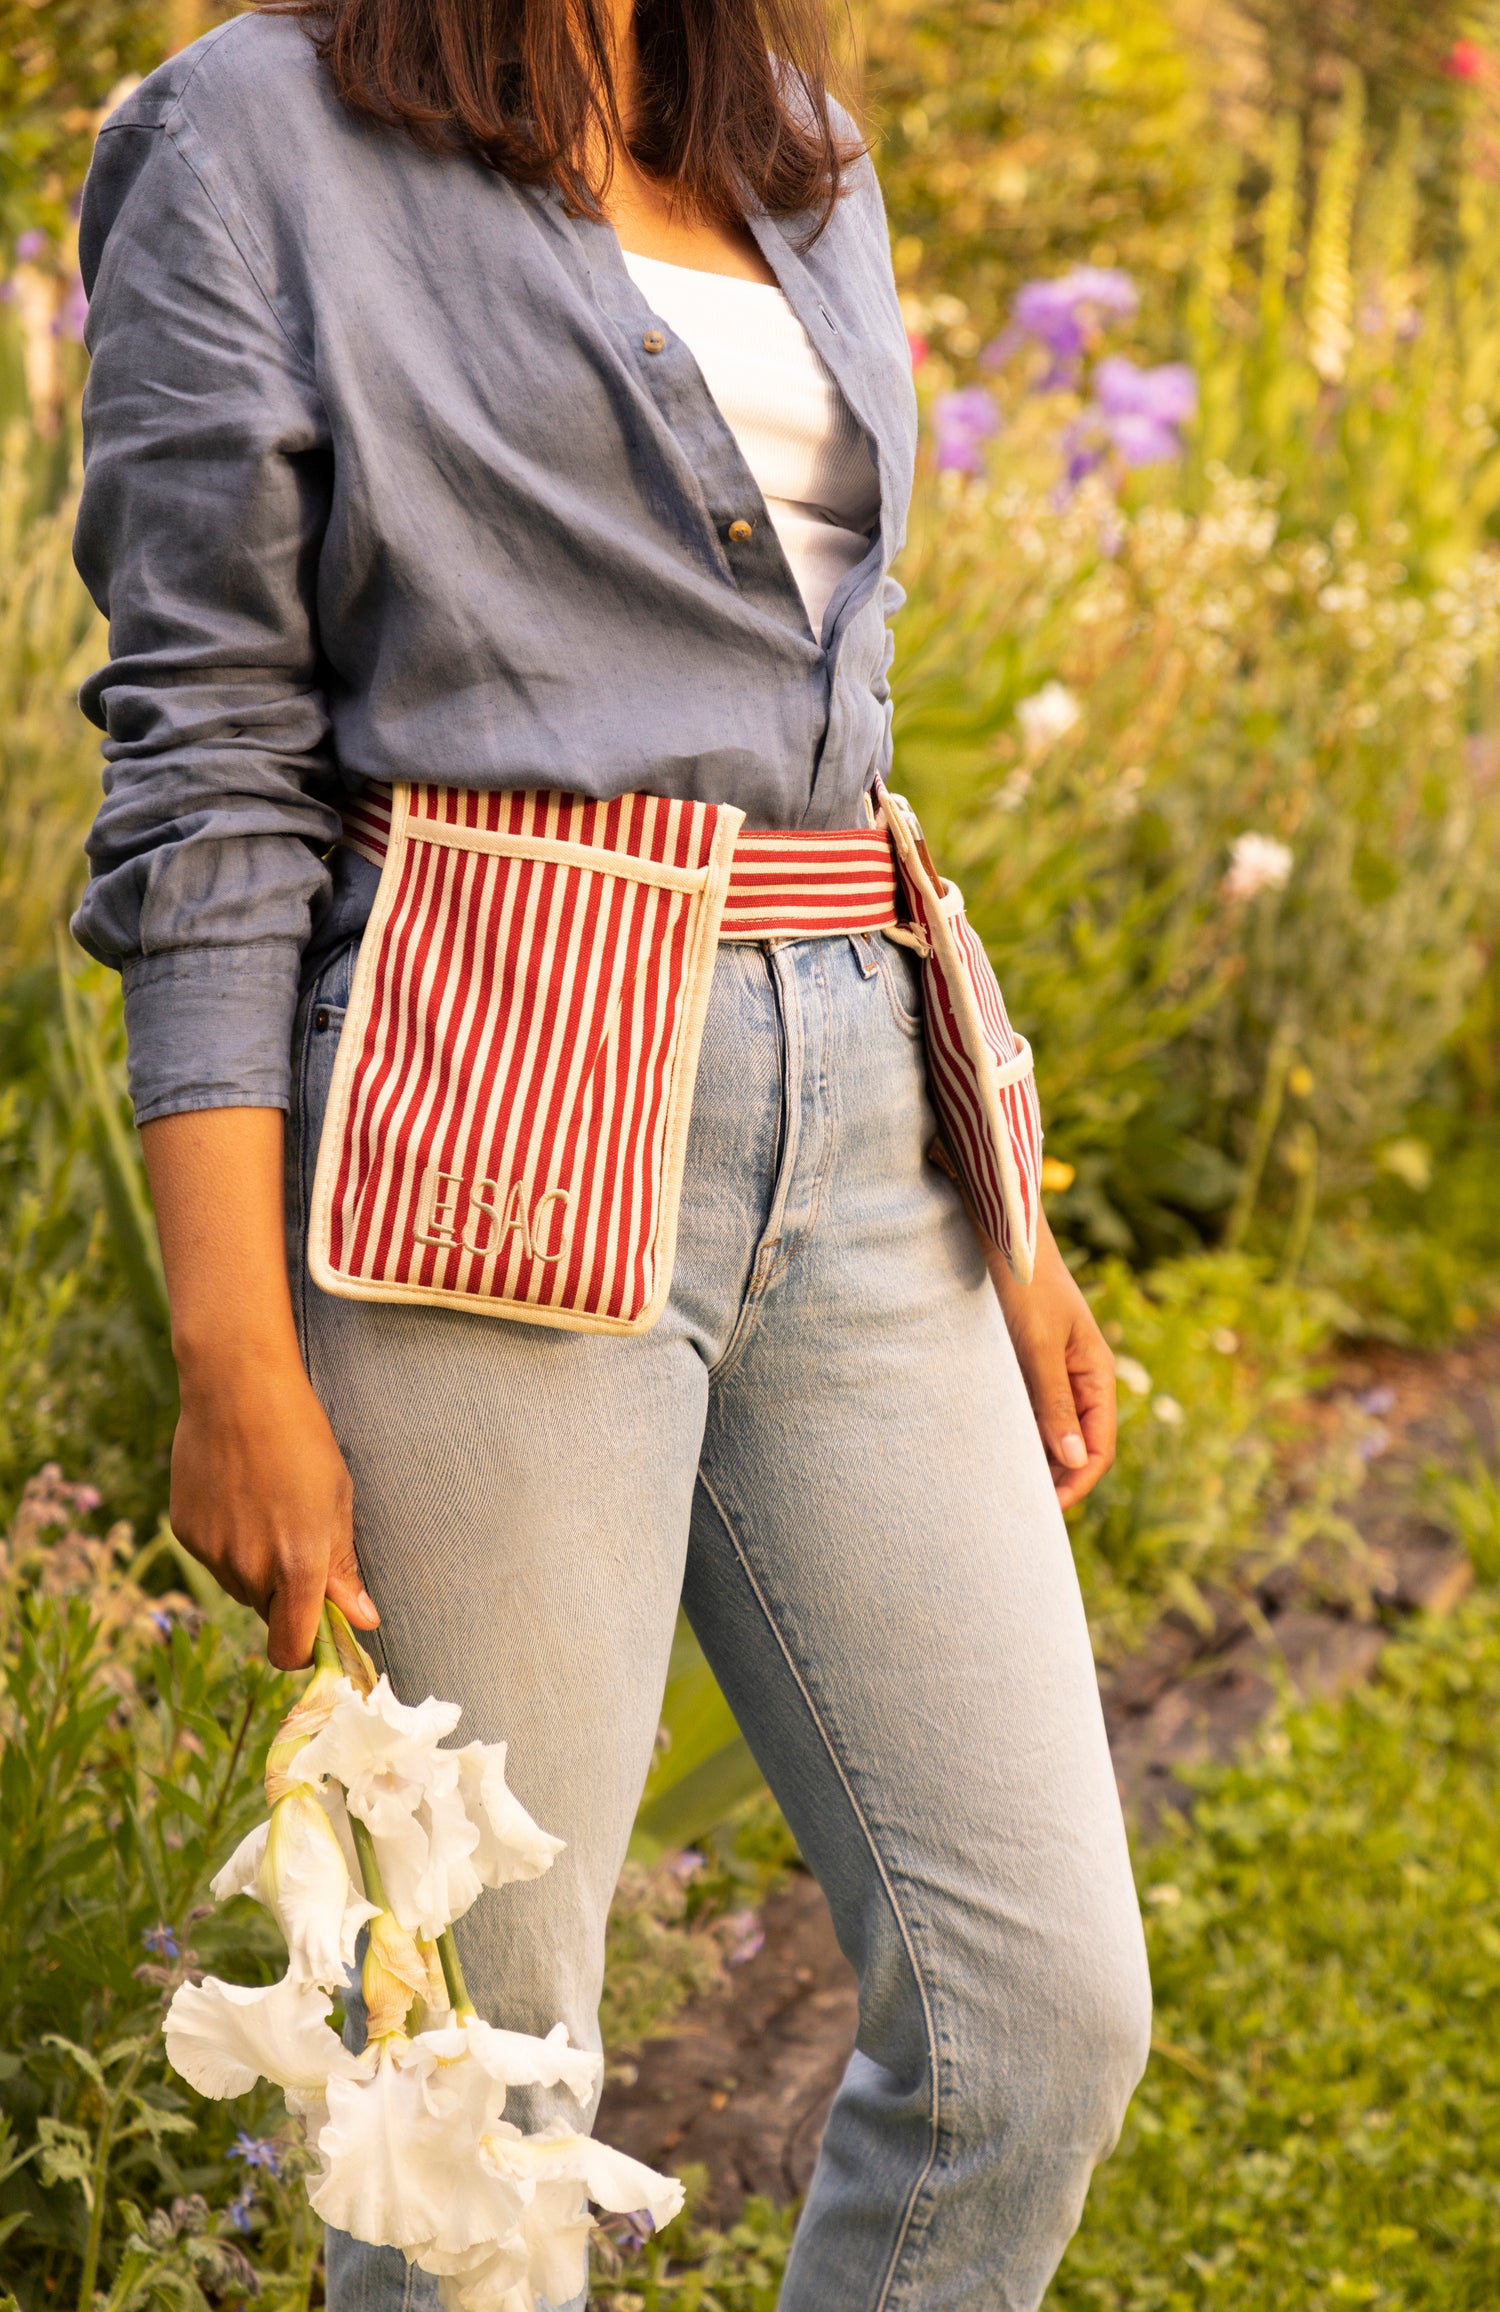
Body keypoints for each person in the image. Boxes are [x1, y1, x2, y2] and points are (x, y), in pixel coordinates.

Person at [70, 0, 1151, 2302]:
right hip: (486, 1134)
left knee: (1040, 2012)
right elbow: (208, 768)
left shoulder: (794, 148)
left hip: (869, 1121)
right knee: (483, 2089)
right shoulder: (254, 139)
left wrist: (1007, 1201)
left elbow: (823, 725)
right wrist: (230, 1343)